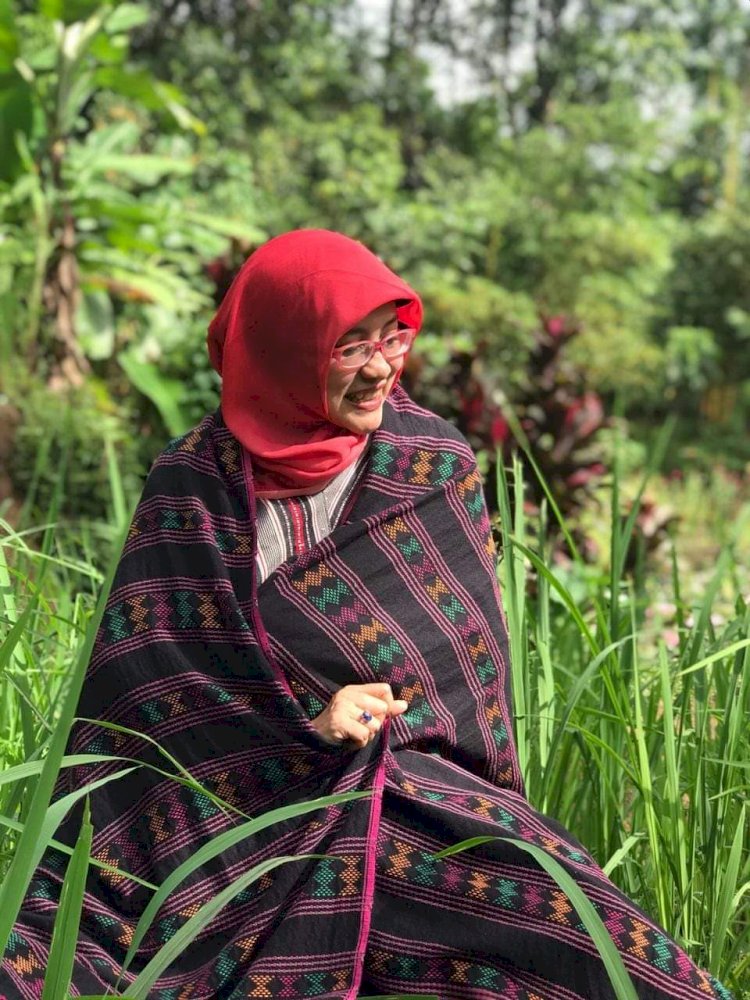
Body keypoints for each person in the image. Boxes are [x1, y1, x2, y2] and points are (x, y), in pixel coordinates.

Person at [1, 230, 732, 999]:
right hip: (224, 822)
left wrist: (374, 723)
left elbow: (463, 684)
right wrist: (309, 728)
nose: (382, 367)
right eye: (352, 347)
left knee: (567, 918)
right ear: (285, 347)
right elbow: (146, 708)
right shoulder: (190, 487)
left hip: (413, 798)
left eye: (394, 338)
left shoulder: (432, 468)